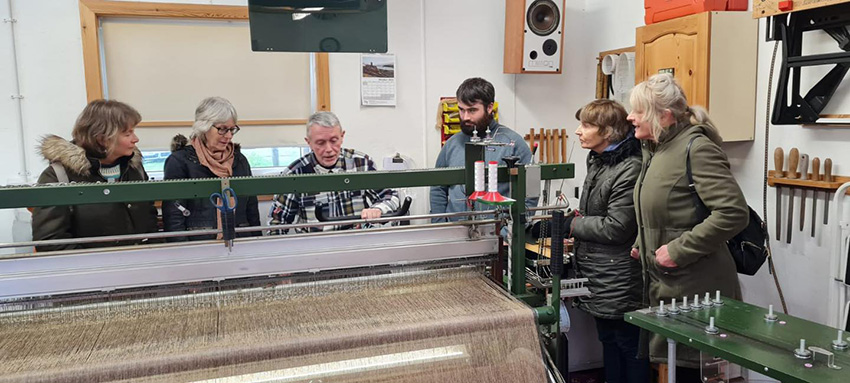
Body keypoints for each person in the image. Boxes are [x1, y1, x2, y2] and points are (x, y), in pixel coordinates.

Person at [629, 74, 748, 381]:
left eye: (639, 111)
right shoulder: (655, 150)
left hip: (698, 289)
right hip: (668, 285)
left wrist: (679, 250)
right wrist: (643, 241)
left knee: (693, 374)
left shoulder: (696, 148)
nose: (630, 117)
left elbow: (733, 213)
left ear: (665, 116)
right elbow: (671, 211)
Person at [563, 100, 647, 383]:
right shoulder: (598, 160)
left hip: (619, 274)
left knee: (628, 345)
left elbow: (617, 227)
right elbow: (598, 212)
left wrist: (572, 225)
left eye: (587, 125)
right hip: (599, 270)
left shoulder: (629, 168)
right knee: (608, 340)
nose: (578, 131)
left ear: (609, 132)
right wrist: (575, 217)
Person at [31, 99, 158, 251]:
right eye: (127, 133)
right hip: (90, 270)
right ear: (102, 139)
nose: (135, 139)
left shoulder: (134, 168)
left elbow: (149, 220)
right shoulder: (58, 176)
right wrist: (96, 264)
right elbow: (50, 242)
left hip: (138, 265)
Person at [269, 111, 400, 233]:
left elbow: (392, 197)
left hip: (358, 242)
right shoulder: (295, 174)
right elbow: (276, 224)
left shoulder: (361, 164)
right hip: (316, 248)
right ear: (308, 142)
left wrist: (378, 209)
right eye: (320, 143)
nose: (329, 149)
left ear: (342, 136)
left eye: (334, 141)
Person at [430, 77, 533, 221]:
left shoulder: (512, 143)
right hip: (454, 233)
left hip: (497, 234)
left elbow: (530, 194)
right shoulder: (451, 144)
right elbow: (438, 188)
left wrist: (509, 231)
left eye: (472, 110)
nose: (465, 117)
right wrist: (439, 225)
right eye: (461, 110)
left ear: (489, 107)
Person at [163, 97, 260, 241]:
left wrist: (256, 243)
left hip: (240, 243)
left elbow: (251, 209)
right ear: (204, 126)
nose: (228, 136)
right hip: (199, 246)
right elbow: (173, 216)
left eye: (232, 129)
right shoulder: (179, 162)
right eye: (222, 129)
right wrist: (182, 252)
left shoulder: (240, 160)